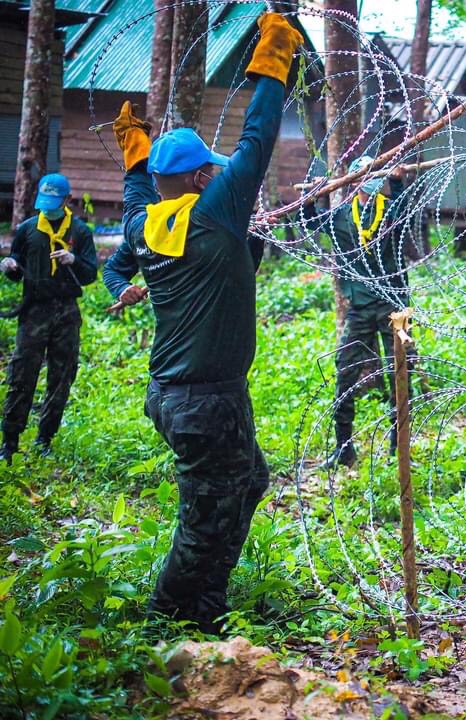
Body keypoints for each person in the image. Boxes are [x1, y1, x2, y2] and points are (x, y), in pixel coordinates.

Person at [100, 13, 302, 633]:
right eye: (207, 169)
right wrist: (274, 57)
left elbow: (139, 191)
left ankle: (208, 607)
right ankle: (163, 623)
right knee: (205, 517)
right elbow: (258, 137)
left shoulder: (144, 227)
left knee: (248, 484)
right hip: (201, 402)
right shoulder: (215, 211)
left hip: (192, 395)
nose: (218, 172)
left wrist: (136, 150)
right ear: (195, 178)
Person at [304, 156, 411, 468]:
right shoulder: (341, 216)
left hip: (396, 308)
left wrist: (397, 181)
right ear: (353, 184)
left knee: (401, 374)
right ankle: (343, 448)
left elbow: (405, 208)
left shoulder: (391, 210)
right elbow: (311, 222)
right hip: (360, 307)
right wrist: (312, 198)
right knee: (345, 371)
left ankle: (398, 447)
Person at [0, 174, 98, 460]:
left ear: (68, 200)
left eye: (54, 203)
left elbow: (90, 273)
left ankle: (45, 438)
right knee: (21, 374)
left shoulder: (79, 233)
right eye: (45, 203)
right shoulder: (28, 229)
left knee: (62, 374)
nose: (49, 208)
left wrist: (73, 260)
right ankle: (10, 441)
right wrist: (10, 266)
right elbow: (17, 268)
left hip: (66, 311)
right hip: (34, 310)